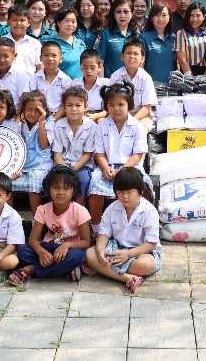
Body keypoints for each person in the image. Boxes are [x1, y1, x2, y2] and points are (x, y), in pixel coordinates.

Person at [8, 166, 91, 286]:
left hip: (69, 250)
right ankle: (65, 269)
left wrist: (67, 245)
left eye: (66, 188)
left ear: (73, 191)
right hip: (48, 247)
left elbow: (86, 242)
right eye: (56, 188)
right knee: (22, 252)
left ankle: (31, 269)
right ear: (49, 189)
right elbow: (33, 240)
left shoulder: (80, 211)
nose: (60, 192)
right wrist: (41, 252)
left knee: (78, 256)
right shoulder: (43, 209)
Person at [83, 167, 161, 293]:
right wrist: (100, 250)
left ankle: (102, 269)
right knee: (90, 254)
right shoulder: (112, 208)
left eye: (129, 192)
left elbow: (151, 244)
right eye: (120, 192)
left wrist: (128, 254)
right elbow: (104, 234)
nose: (125, 196)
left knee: (145, 265)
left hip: (140, 251)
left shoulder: (149, 211)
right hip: (116, 248)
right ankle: (126, 278)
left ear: (141, 190)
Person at [87, 82, 151, 232]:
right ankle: (96, 227)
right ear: (106, 106)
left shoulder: (137, 126)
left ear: (129, 105)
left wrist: (124, 169)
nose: (116, 109)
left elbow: (138, 154)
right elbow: (99, 153)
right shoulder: (102, 126)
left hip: (131, 167)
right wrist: (104, 167)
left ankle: (140, 225)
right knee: (95, 185)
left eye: (120, 104)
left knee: (144, 187)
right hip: (108, 168)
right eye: (111, 105)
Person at [52, 86, 97, 202]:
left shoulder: (92, 126)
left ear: (86, 107)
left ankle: (79, 211)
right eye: (69, 105)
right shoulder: (58, 125)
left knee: (83, 180)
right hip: (62, 164)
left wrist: (73, 169)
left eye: (78, 105)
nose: (73, 109)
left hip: (82, 165)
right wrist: (62, 169)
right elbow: (57, 152)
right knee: (54, 180)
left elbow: (88, 154)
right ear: (64, 107)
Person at [13, 90, 54, 212]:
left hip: (41, 164)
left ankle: (36, 218)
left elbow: (44, 145)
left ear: (43, 110)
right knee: (5, 182)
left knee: (34, 183)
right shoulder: (21, 124)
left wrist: (41, 121)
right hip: (23, 164)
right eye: (29, 110)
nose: (32, 114)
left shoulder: (49, 122)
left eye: (37, 110)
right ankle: (10, 216)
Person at [109, 39, 158, 123]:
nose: (132, 56)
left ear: (142, 58)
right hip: (118, 114)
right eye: (128, 53)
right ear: (122, 56)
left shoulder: (146, 78)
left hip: (141, 115)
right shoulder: (115, 76)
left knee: (142, 128)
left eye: (136, 54)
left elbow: (147, 106)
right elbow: (111, 102)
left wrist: (133, 121)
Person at [0, 37, 32, 109]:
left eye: (6, 56)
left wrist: (18, 114)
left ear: (14, 56)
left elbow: (24, 99)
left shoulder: (21, 74)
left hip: (15, 111)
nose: (2, 60)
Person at [29, 41, 72, 117]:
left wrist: (54, 119)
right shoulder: (34, 78)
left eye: (54, 55)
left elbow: (67, 103)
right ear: (40, 58)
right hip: (38, 116)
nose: (50, 58)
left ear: (61, 59)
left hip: (59, 117)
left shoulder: (65, 80)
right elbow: (31, 100)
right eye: (46, 55)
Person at [139, 2, 177, 83]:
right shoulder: (144, 38)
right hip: (151, 86)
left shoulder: (174, 37)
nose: (160, 19)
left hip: (171, 87)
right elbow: (140, 66)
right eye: (157, 15)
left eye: (164, 15)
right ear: (151, 18)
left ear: (169, 17)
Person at [97, 0, 135, 77]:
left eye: (126, 12)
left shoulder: (136, 35)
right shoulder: (105, 34)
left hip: (132, 82)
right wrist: (102, 82)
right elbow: (100, 62)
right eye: (118, 11)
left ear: (132, 14)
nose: (122, 15)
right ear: (114, 15)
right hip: (111, 82)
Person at [70, 50, 110, 122]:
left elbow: (107, 110)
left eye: (92, 67)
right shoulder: (75, 84)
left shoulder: (106, 84)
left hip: (98, 116)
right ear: (80, 67)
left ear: (100, 67)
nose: (89, 71)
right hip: (79, 116)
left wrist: (95, 116)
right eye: (85, 67)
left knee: (101, 121)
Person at [175, 2, 206, 76]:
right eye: (191, 15)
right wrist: (190, 78)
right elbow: (182, 60)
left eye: (198, 15)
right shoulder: (181, 34)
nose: (194, 19)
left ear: (204, 17)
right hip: (186, 73)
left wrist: (204, 77)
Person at [5, 4, 43, 76]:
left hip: (30, 82)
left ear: (28, 22)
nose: (18, 23)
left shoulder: (35, 44)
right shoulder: (0, 43)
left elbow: (40, 67)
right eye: (14, 20)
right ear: (8, 22)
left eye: (22, 20)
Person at [50, 8, 87, 80]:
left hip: (80, 85)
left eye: (73, 21)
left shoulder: (80, 43)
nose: (70, 24)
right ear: (58, 23)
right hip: (60, 85)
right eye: (66, 21)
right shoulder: (51, 44)